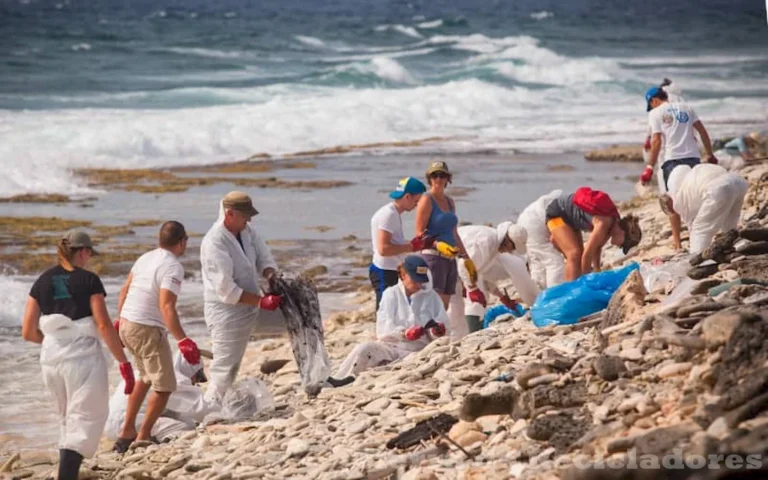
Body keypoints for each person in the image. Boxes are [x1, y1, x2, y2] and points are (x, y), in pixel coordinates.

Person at [21, 230, 134, 480]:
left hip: (51, 360)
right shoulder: (89, 280)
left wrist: (56, 341)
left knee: (67, 421)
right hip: (82, 359)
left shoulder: (42, 280)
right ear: (82, 251)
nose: (89, 259)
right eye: (89, 254)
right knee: (85, 420)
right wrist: (124, 363)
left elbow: (28, 331)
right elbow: (103, 325)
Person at [114, 221, 199, 452]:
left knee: (144, 377)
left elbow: (124, 290)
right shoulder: (173, 267)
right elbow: (166, 306)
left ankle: (126, 431)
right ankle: (143, 436)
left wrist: (120, 321)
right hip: (146, 328)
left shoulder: (145, 257)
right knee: (164, 388)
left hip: (127, 323)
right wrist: (183, 340)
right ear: (181, 241)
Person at [200, 191, 282, 403]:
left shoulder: (247, 231)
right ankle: (208, 411)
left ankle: (317, 376)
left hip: (253, 305)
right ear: (229, 214)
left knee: (298, 321)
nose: (250, 220)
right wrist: (262, 301)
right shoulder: (214, 243)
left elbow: (264, 257)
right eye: (245, 215)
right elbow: (227, 290)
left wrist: (270, 274)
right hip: (227, 313)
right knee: (225, 369)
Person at [330, 256, 449, 383]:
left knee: (414, 365)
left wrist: (436, 332)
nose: (418, 284)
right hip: (392, 347)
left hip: (418, 351)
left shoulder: (432, 297)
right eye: (415, 280)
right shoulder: (390, 294)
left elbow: (444, 326)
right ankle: (344, 378)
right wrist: (404, 334)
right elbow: (382, 329)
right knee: (364, 348)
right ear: (403, 275)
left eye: (421, 281)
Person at [522, 188, 642, 283]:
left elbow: (597, 247)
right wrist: (587, 282)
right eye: (623, 244)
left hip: (571, 222)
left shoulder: (611, 225)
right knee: (574, 254)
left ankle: (572, 281)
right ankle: (571, 293)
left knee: (577, 258)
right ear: (622, 233)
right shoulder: (604, 223)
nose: (620, 247)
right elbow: (587, 255)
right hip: (557, 213)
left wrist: (597, 269)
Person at [106, 351, 215, 444]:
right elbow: (201, 411)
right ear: (189, 370)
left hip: (109, 424)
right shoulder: (176, 379)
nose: (197, 381)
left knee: (185, 422)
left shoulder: (153, 369)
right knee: (184, 427)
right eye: (198, 377)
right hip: (124, 424)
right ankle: (160, 441)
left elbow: (179, 411)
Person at [452, 221, 540, 333]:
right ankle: (468, 334)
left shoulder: (494, 247)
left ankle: (469, 333)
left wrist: (501, 296)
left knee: (477, 299)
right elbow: (464, 265)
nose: (511, 251)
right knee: (464, 304)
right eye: (512, 246)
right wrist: (472, 288)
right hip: (447, 263)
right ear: (507, 239)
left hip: (456, 268)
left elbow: (483, 273)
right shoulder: (486, 242)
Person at [370, 176, 434, 309]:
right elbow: (383, 249)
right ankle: (383, 331)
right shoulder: (389, 215)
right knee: (385, 309)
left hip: (391, 268)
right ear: (407, 197)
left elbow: (393, 242)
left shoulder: (393, 213)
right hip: (384, 270)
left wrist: (414, 243)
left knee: (395, 307)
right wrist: (411, 247)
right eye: (416, 201)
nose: (417, 205)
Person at [415, 161, 471, 310]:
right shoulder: (427, 200)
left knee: (444, 305)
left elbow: (454, 231)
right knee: (433, 303)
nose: (438, 179)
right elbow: (419, 234)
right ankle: (427, 332)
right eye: (434, 176)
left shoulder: (450, 201)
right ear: (429, 179)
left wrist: (466, 258)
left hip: (450, 258)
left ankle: (438, 332)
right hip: (433, 257)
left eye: (442, 175)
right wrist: (437, 244)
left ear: (448, 178)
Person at [660, 163, 748, 253]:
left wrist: (693, 246)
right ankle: (737, 247)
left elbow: (692, 225)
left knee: (700, 229)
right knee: (730, 223)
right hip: (738, 182)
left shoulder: (678, 200)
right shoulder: (694, 175)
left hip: (717, 190)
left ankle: (697, 256)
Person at [517, 190, 567, 288]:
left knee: (536, 260)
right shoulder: (566, 207)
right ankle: (554, 292)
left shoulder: (554, 200)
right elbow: (557, 236)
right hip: (536, 223)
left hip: (523, 222)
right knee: (553, 261)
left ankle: (539, 293)